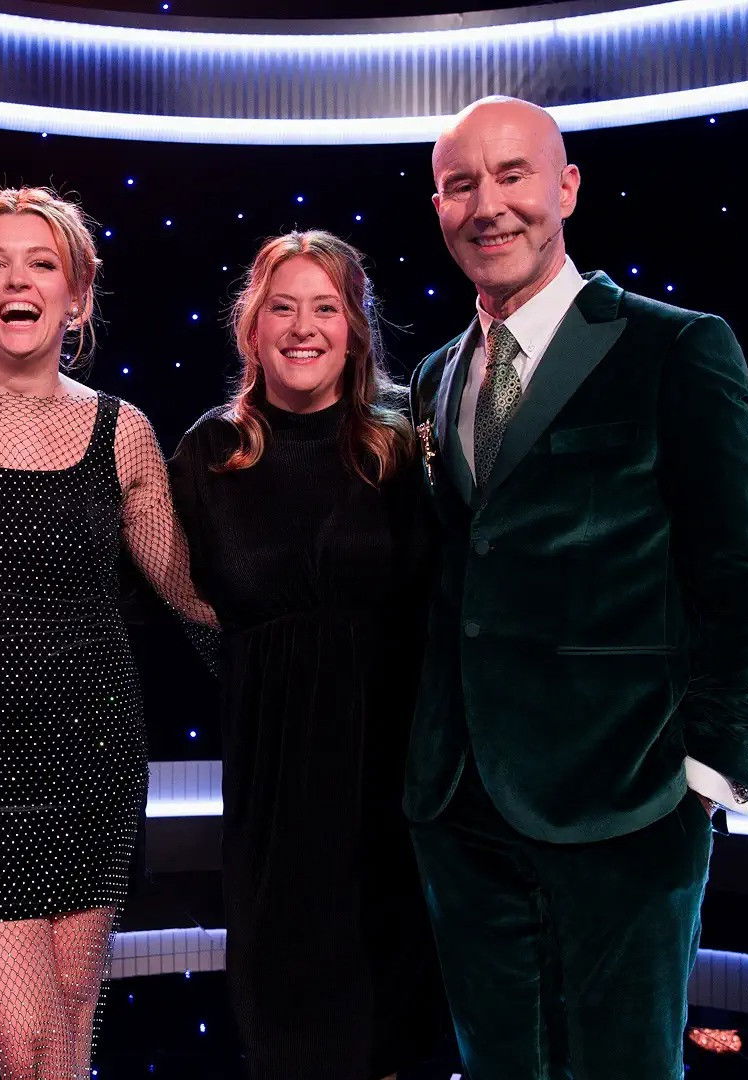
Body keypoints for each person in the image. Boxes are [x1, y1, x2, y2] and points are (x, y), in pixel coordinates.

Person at [404, 96, 748, 1078]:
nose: (488, 205)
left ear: (567, 187)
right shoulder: (434, 378)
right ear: (439, 206)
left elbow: (744, 576)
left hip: (628, 801)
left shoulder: (675, 346)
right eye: (460, 185)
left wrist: (708, 777)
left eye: (512, 175)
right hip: (461, 805)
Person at [0, 186, 213, 1080]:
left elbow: (191, 594)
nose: (17, 281)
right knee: (25, 1040)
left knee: (69, 1012)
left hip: (90, 752)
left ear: (78, 295)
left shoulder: (121, 430)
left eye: (42, 264)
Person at [168, 231, 440, 1079]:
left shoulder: (406, 442)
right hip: (275, 776)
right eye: (281, 307)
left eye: (325, 307)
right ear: (251, 328)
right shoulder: (212, 451)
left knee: (392, 1011)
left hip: (394, 770)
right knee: (289, 1014)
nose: (302, 327)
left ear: (355, 329)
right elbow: (173, 601)